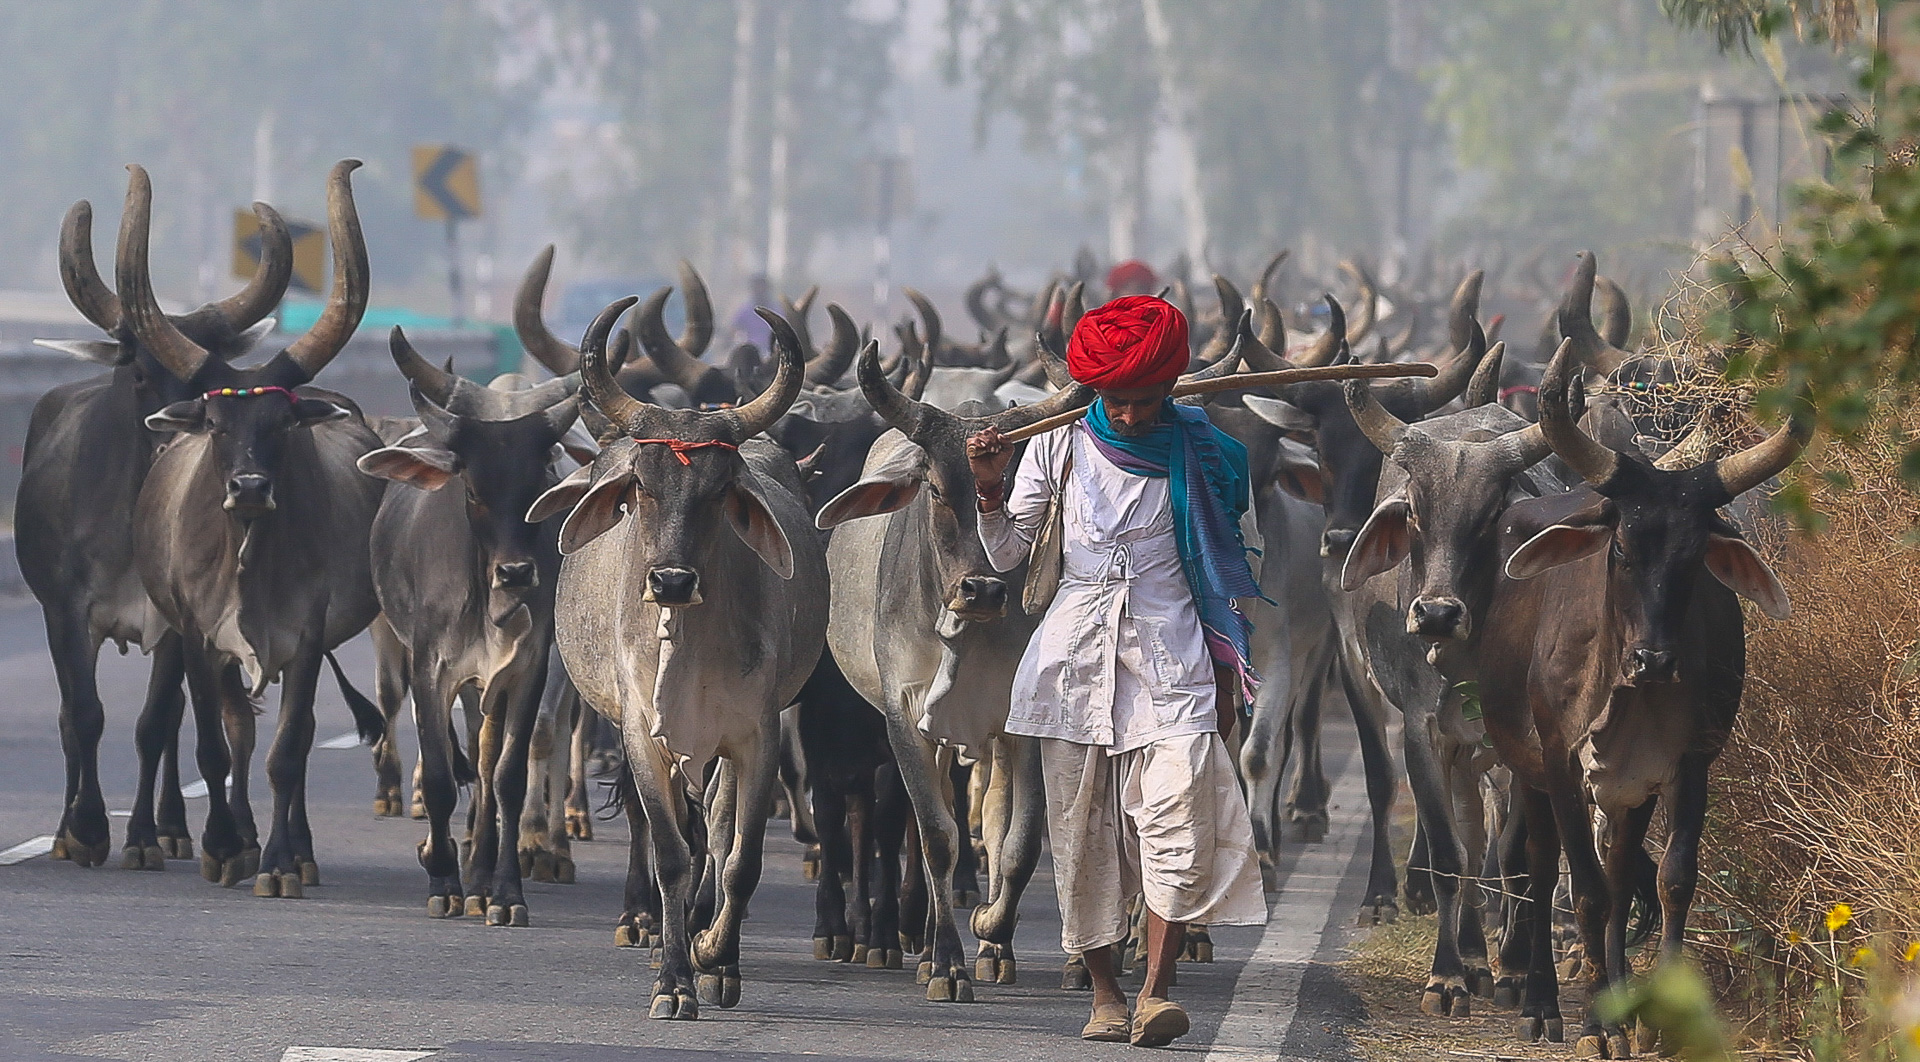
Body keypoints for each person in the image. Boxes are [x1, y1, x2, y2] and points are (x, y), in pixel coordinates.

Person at [966, 295, 1267, 1047]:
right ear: (1094, 391)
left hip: (1174, 658)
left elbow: (1236, 569)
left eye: (1143, 400)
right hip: (1071, 661)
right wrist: (989, 488)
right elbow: (1006, 554)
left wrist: (1231, 680)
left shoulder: (1214, 457)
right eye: (1115, 400)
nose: (1129, 417)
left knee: (1178, 823)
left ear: (1170, 387)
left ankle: (1157, 992)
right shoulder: (1058, 445)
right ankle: (1104, 993)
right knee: (1082, 833)